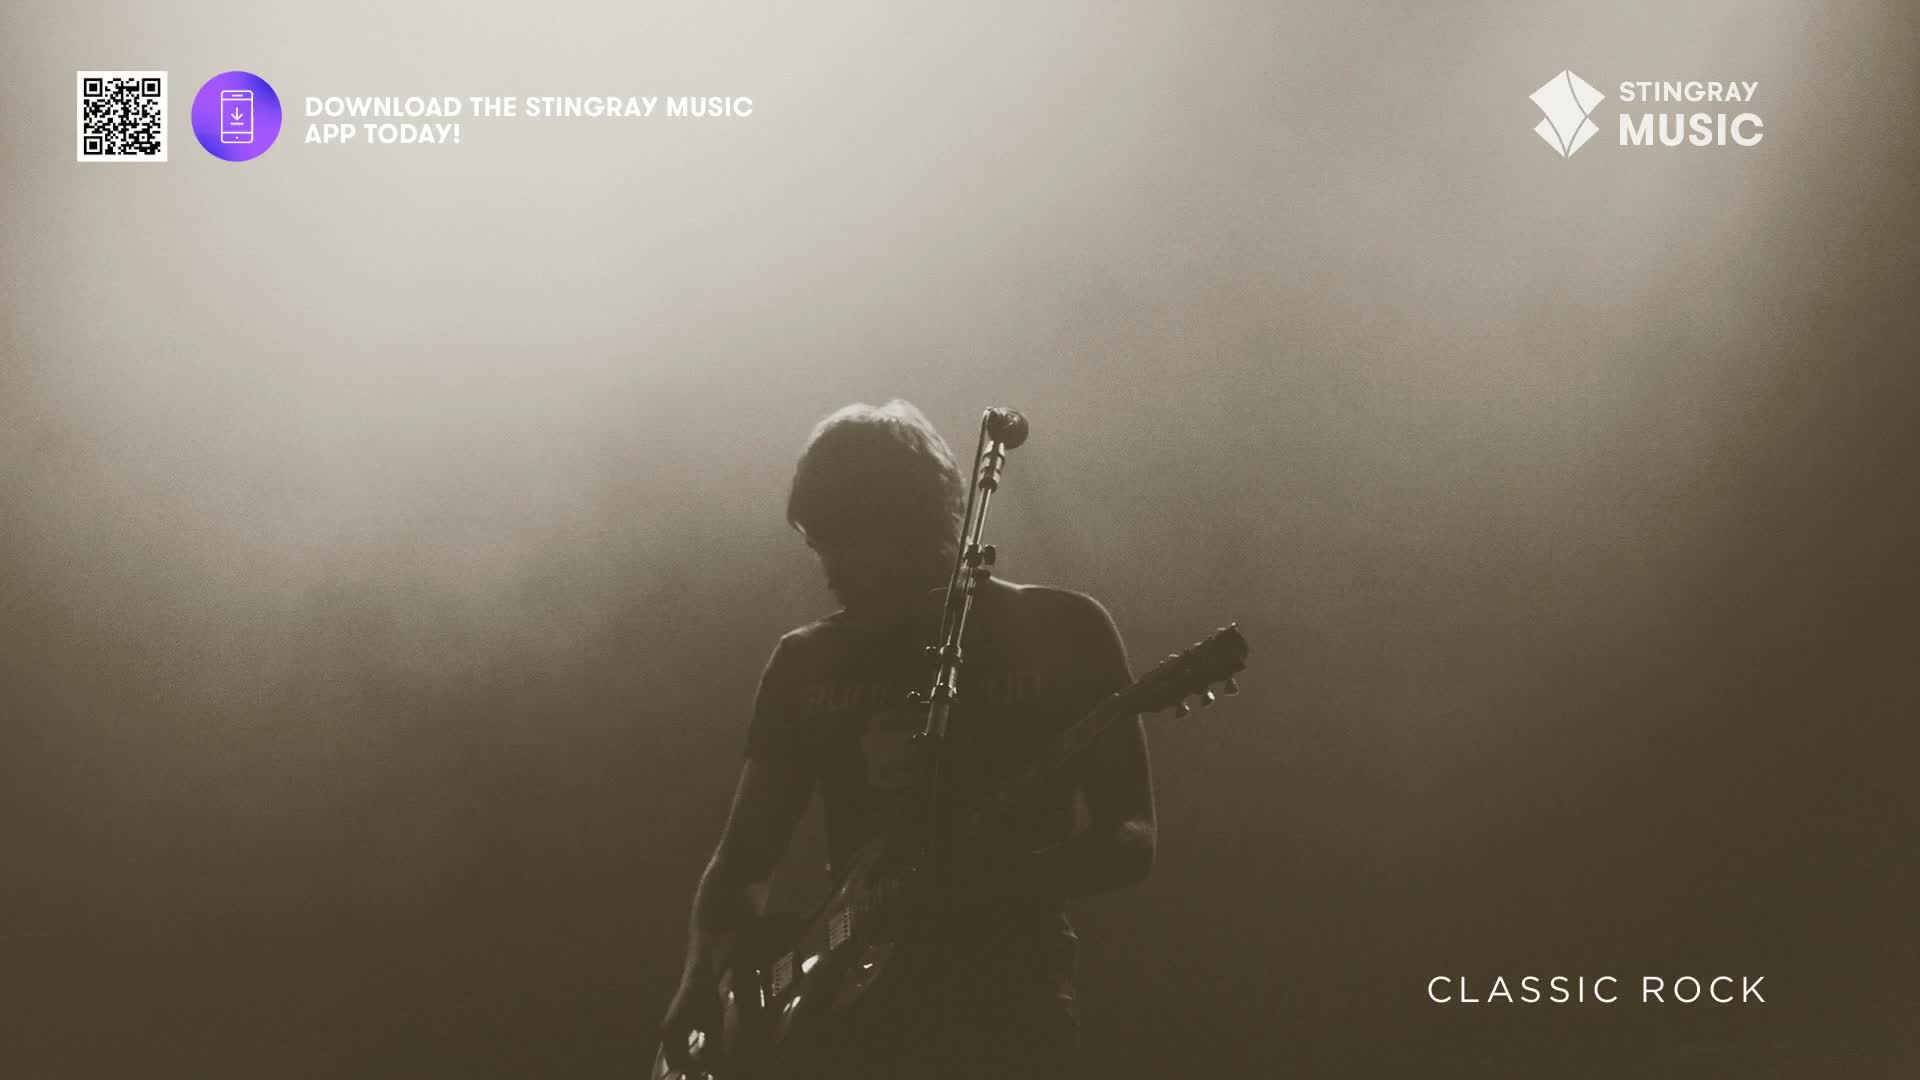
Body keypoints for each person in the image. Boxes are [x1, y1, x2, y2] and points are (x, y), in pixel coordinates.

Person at [659, 400, 1155, 1079]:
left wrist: (988, 881)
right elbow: (744, 863)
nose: (828, 570)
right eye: (818, 546)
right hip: (845, 1022)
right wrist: (698, 980)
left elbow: (1131, 835)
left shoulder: (1060, 630)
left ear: (910, 521)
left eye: (844, 542)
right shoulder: (807, 663)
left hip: (1010, 1009)